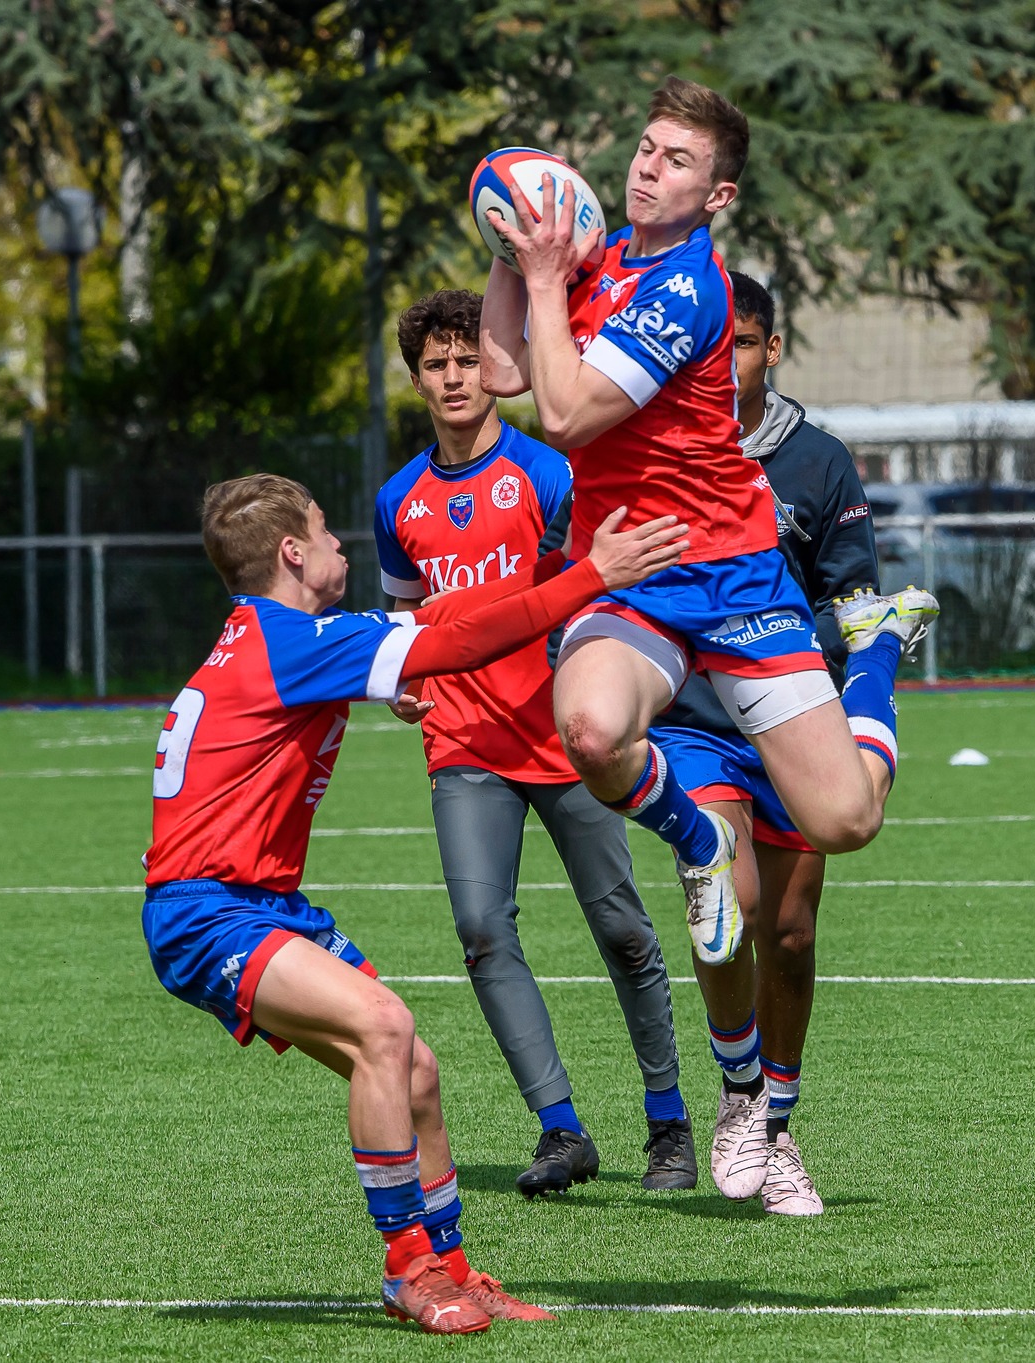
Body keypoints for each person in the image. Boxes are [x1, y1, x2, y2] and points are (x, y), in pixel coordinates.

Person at [141, 473, 684, 1332]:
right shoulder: (288, 641)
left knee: (415, 1068)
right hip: (209, 912)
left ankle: (457, 1268)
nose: (340, 545)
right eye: (324, 531)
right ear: (291, 552)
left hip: (260, 903)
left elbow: (420, 630)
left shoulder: (280, 638)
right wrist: (590, 575)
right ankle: (407, 1269)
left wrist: (371, 680)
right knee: (385, 1031)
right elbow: (461, 638)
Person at [479, 76, 936, 968]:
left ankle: (877, 648)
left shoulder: (687, 288)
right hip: (634, 571)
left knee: (845, 820)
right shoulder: (595, 259)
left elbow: (566, 417)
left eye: (677, 161)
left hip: (731, 574)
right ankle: (698, 843)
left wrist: (541, 275)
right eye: (647, 148)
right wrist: (509, 246)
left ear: (716, 196)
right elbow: (505, 370)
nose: (648, 169)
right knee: (594, 731)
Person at [373, 289, 695, 1197]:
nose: (453, 377)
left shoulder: (550, 474)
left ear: (495, 372)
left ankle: (668, 1122)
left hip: (564, 739)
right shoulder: (398, 497)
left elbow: (600, 587)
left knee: (622, 928)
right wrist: (404, 679)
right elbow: (407, 620)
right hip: (463, 745)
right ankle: (560, 1128)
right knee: (481, 930)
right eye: (436, 364)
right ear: (416, 380)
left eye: (468, 359)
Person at [648, 272, 899, 1213]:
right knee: (723, 894)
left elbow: (853, 595)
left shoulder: (818, 461)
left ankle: (778, 1128)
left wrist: (850, 649)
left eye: (743, 346)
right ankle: (739, 1089)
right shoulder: (664, 451)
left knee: (789, 932)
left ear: (772, 349)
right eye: (713, 349)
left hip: (795, 717)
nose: (726, 365)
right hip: (698, 723)